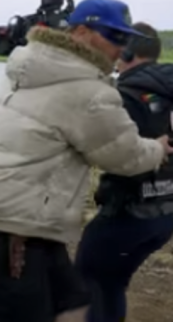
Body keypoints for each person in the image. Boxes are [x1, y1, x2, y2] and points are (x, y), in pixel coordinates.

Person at [0, 0, 173, 322]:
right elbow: (125, 156)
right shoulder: (89, 91)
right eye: (115, 36)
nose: (121, 48)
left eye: (127, 40)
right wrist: (159, 147)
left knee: (74, 304)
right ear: (81, 32)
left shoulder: (26, 64)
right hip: (12, 225)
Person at [75, 22, 173, 322]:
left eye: (120, 48)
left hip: (127, 212)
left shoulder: (126, 93)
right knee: (113, 282)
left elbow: (113, 153)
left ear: (129, 52)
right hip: (165, 214)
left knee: (88, 278)